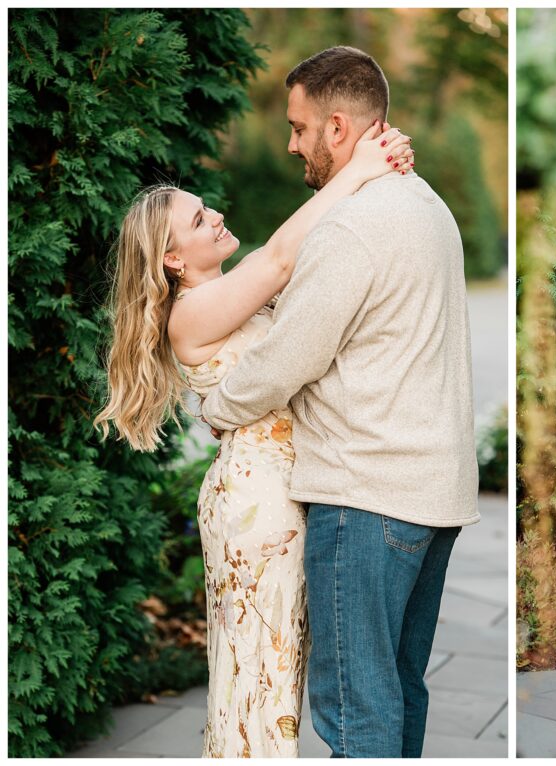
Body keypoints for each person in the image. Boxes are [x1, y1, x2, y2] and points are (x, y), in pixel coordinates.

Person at [94, 118, 413, 755]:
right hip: (257, 506)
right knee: (261, 677)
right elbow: (279, 256)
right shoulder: (192, 313)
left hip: (285, 492)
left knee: (274, 671)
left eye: (207, 206)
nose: (215, 216)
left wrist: (369, 170)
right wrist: (358, 169)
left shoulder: (230, 297)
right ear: (173, 260)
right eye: (197, 220)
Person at [199, 46, 480, 759]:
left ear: (336, 126)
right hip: (432, 495)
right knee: (398, 692)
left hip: (367, 498)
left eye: (298, 128)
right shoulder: (424, 204)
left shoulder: (352, 227)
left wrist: (219, 408)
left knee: (357, 711)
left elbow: (288, 357)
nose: (291, 143)